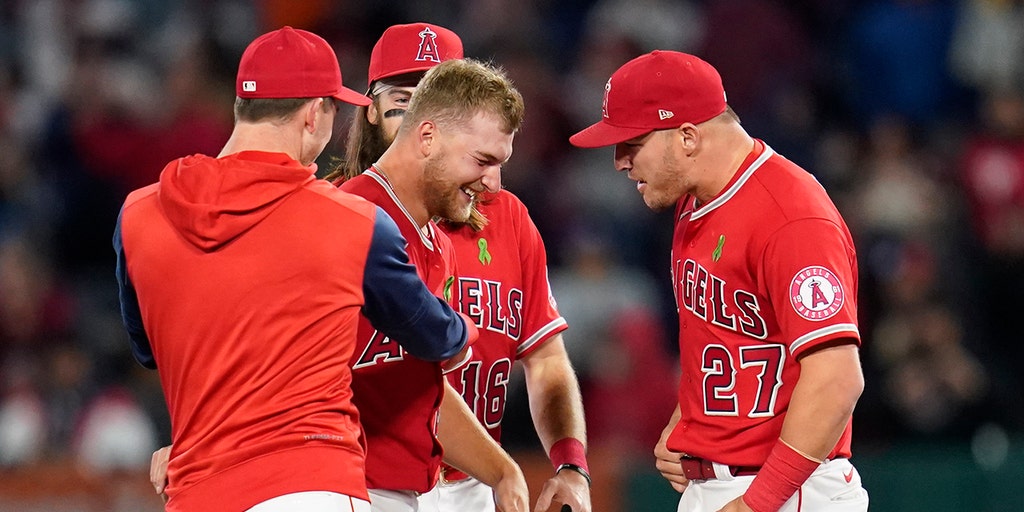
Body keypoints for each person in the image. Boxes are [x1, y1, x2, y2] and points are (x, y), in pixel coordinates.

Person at [114, 26, 478, 512]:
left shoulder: (137, 216)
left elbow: (148, 349)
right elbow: (434, 338)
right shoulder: (352, 221)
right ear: (314, 115)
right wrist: (463, 330)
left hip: (197, 493)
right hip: (309, 485)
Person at [569, 50, 870, 512]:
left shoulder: (791, 216)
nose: (619, 161)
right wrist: (691, 423)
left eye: (632, 142)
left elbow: (836, 379)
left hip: (788, 491)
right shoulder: (695, 200)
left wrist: (757, 503)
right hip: (722, 485)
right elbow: (729, 338)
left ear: (687, 136)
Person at [331, 23, 592, 512]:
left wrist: (568, 464)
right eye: (407, 97)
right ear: (372, 112)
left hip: (468, 482)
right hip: (364, 478)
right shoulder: (342, 214)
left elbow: (545, 359)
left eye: (441, 92)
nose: (424, 109)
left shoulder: (503, 218)